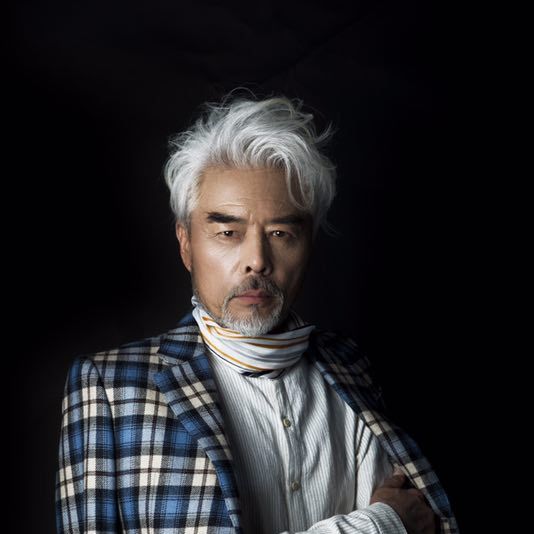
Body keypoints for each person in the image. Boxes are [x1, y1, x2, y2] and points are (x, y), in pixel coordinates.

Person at [55, 92, 459, 534]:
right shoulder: (112, 387)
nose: (257, 260)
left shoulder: (351, 367)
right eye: (228, 232)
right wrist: (380, 525)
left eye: (281, 233)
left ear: (309, 245)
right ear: (186, 244)